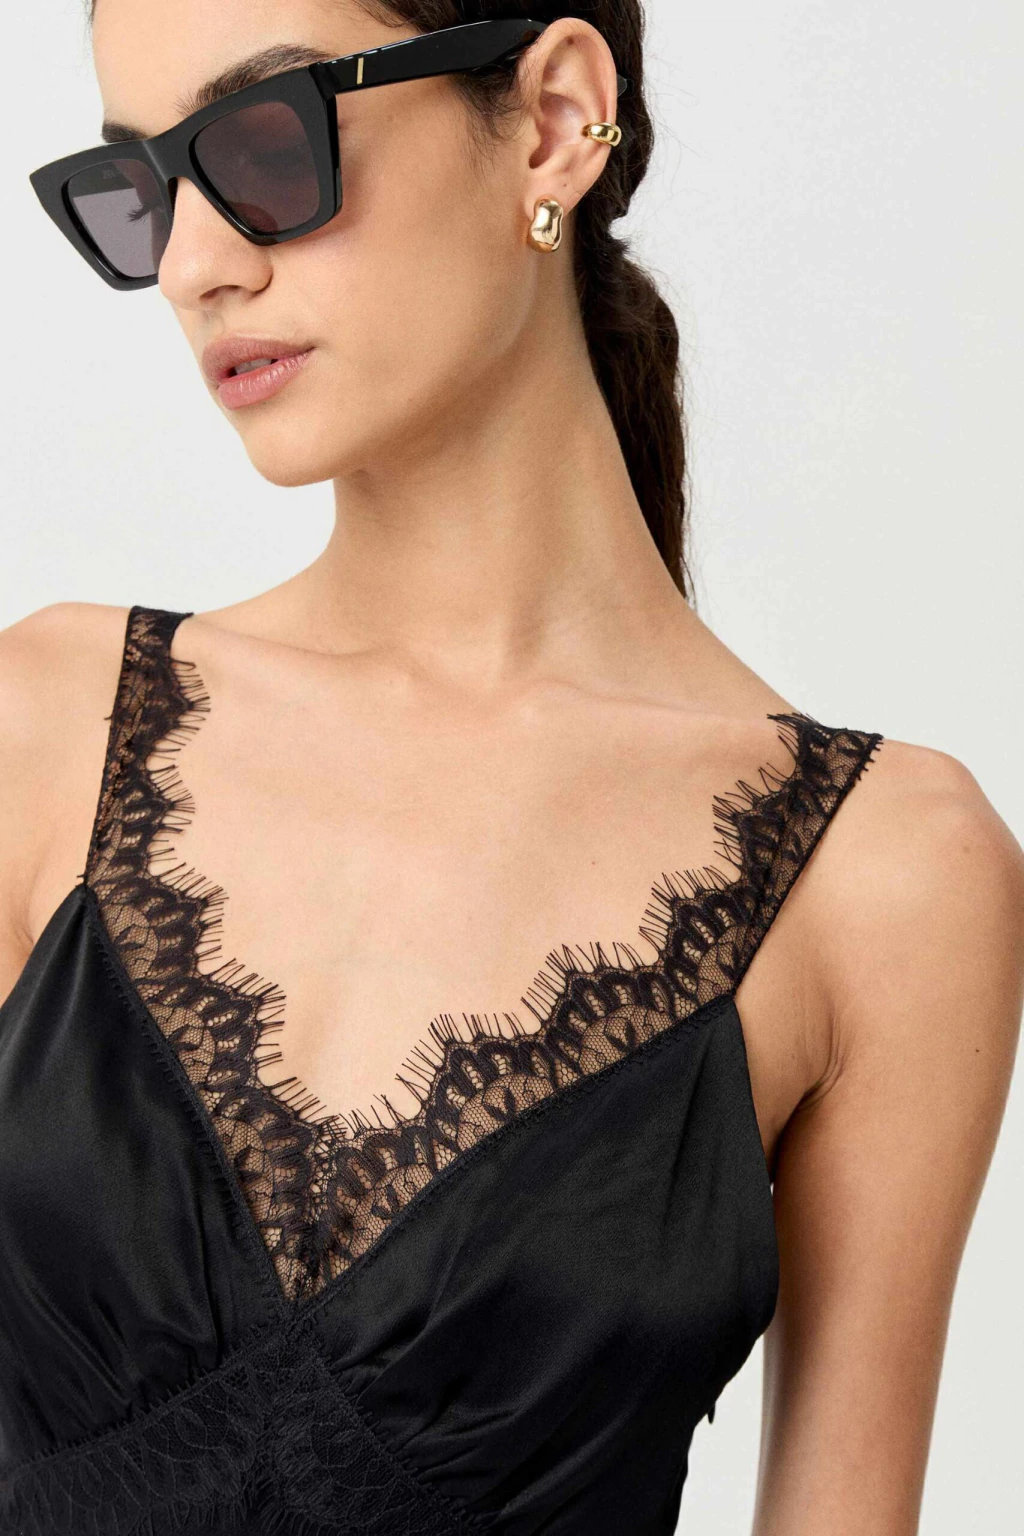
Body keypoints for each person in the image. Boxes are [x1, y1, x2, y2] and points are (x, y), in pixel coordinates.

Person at [1, 3, 1022, 1533]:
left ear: (551, 122)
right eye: (142, 189)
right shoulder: (40, 732)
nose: (195, 264)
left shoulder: (890, 878)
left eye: (265, 144)